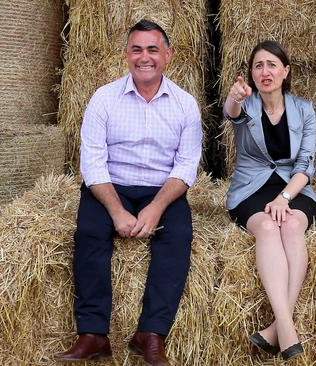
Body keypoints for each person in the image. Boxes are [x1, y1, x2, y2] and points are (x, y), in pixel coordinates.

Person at [56, 19, 202, 366]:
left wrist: (155, 209)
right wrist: (117, 211)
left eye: (152, 49)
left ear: (167, 55)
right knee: (90, 232)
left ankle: (150, 334)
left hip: (162, 187)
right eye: (136, 49)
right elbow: (92, 162)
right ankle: (93, 334)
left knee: (178, 238)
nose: (144, 57)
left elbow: (185, 166)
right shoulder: (104, 98)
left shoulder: (185, 105)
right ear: (126, 55)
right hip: (111, 183)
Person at [223, 40, 316, 361]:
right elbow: (230, 113)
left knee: (291, 225)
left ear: (285, 71)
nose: (265, 72)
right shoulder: (246, 105)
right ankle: (287, 325)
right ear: (251, 74)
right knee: (267, 227)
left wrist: (285, 197)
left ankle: (278, 329)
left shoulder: (304, 110)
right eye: (258, 66)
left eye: (272, 65)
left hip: (294, 187)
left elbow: (305, 166)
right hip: (251, 188)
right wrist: (234, 97)